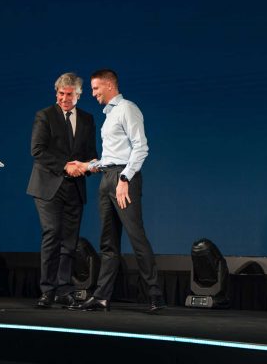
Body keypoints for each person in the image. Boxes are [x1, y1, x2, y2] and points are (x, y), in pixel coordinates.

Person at [70, 69, 166, 313]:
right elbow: (110, 157)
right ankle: (102, 297)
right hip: (107, 179)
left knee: (136, 237)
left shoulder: (127, 109)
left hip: (124, 179)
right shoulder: (110, 114)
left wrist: (125, 178)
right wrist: (87, 166)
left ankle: (155, 295)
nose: (93, 94)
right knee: (108, 243)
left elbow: (141, 148)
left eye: (96, 88)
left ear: (109, 86)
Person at [27, 72, 98, 308]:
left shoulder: (87, 119)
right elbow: (38, 151)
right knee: (52, 233)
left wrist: (87, 166)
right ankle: (47, 290)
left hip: (75, 188)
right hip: (48, 186)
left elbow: (91, 152)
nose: (64, 98)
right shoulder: (44, 116)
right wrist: (66, 166)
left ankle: (64, 289)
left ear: (78, 95)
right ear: (56, 93)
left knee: (70, 241)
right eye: (61, 93)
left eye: (69, 94)